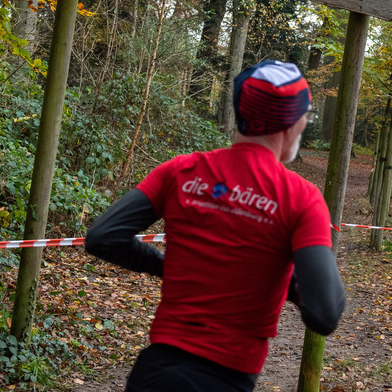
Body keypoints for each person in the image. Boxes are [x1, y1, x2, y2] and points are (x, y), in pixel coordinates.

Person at [85, 59, 346, 391]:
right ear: (290, 122)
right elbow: (325, 313)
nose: (305, 123)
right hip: (226, 379)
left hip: (153, 375)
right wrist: (291, 282)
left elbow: (102, 236)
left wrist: (163, 266)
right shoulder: (301, 198)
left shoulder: (181, 172)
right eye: (305, 115)